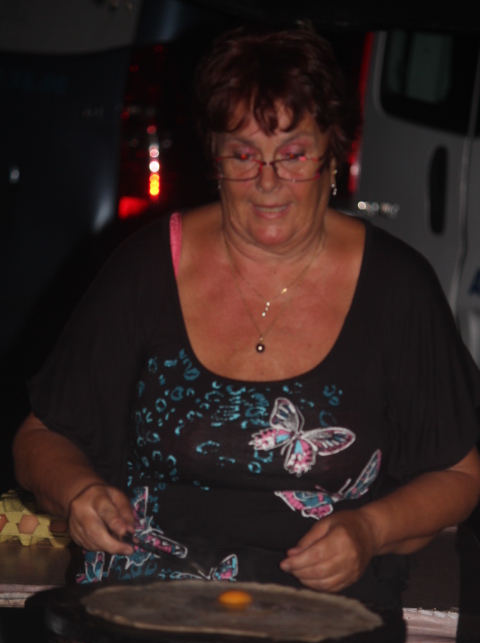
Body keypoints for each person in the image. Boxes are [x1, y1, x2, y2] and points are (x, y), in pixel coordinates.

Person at [12, 25, 480, 612]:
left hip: (323, 618)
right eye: (242, 154)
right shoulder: (149, 267)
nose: (267, 181)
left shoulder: (397, 288)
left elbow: (459, 475)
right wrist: (77, 490)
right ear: (214, 158)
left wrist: (370, 530)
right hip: (143, 604)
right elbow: (40, 437)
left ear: (333, 152)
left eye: (293, 154)